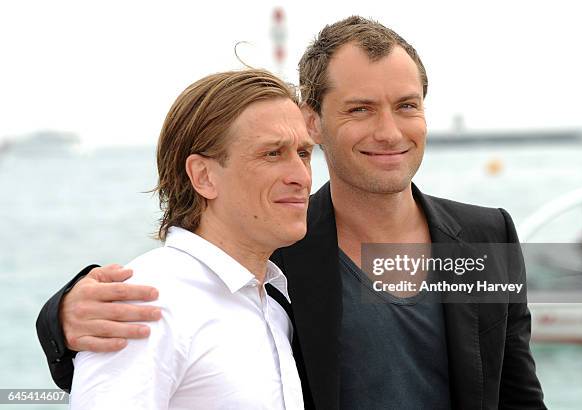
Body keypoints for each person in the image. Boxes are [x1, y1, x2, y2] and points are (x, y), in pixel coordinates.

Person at [37, 16, 546, 409]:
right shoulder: (278, 248)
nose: (390, 132)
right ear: (313, 122)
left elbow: (518, 393)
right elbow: (163, 317)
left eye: (407, 105)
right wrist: (62, 316)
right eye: (360, 109)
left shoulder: (487, 235)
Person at [67, 69, 313, 408]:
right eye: (272, 153)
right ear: (204, 176)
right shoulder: (146, 305)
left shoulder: (272, 306)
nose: (301, 176)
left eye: (303, 153)